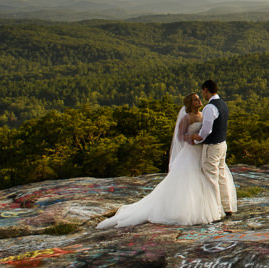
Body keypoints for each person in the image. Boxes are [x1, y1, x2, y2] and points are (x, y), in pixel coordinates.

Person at [96, 93, 224, 228]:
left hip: (202, 151)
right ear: (190, 103)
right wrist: (191, 137)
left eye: (198, 99)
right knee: (190, 182)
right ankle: (189, 211)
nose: (199, 101)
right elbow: (180, 137)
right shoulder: (187, 118)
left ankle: (207, 207)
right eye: (195, 100)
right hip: (191, 152)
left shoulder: (204, 115)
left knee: (204, 179)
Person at [189, 79, 236, 216]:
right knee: (221, 176)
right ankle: (227, 207)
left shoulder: (209, 107)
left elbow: (207, 129)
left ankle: (215, 210)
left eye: (203, 91)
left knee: (211, 178)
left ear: (206, 90)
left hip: (213, 146)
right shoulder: (223, 104)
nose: (203, 94)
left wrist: (197, 139)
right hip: (222, 144)